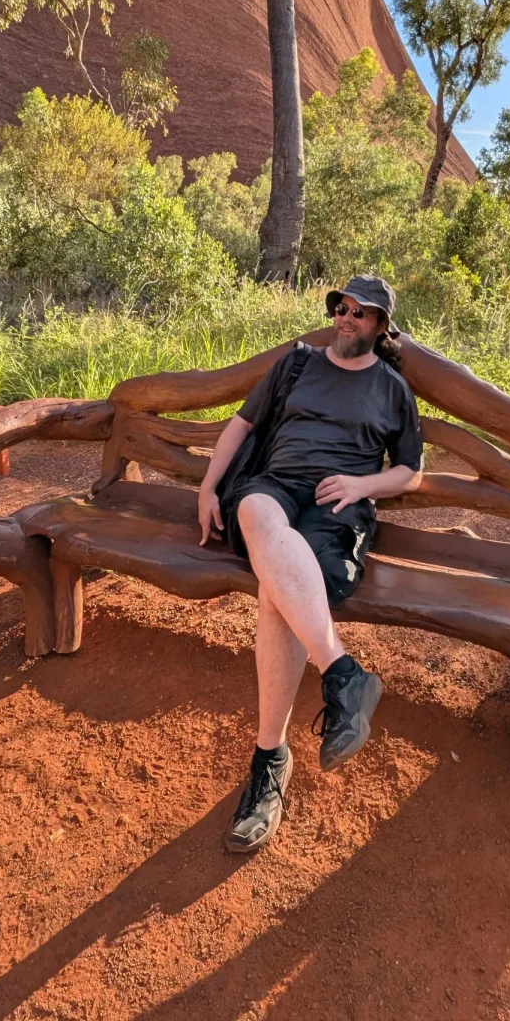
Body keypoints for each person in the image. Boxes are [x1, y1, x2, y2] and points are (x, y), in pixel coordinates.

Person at [197, 274, 423, 854]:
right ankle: (343, 674)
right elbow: (241, 426)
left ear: (379, 327)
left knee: (279, 590)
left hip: (336, 509)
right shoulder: (296, 364)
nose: (346, 318)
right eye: (340, 307)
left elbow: (409, 470)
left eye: (360, 312)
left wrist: (361, 483)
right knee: (254, 511)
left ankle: (269, 761)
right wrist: (206, 486)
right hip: (273, 487)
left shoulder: (392, 388)